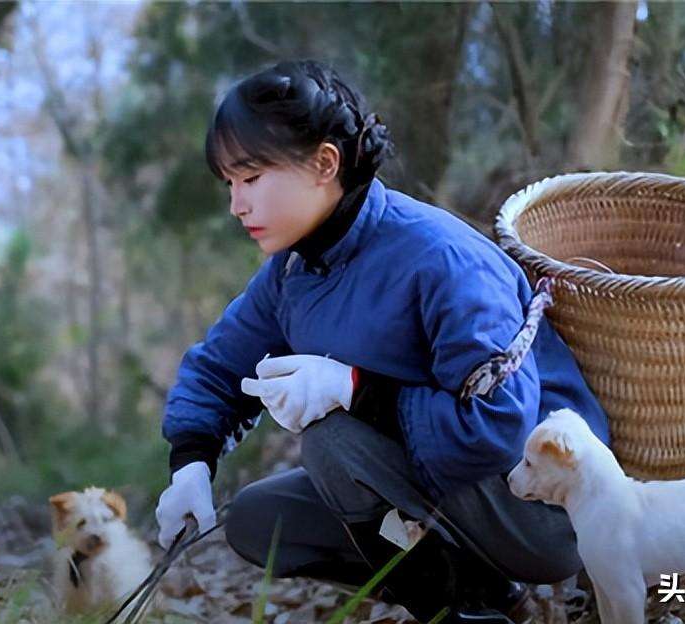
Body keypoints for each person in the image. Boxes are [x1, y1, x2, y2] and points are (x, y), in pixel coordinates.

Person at [154, 59, 611, 624]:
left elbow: (500, 425)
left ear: (325, 163)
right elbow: (219, 366)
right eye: (229, 183)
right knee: (259, 520)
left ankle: (452, 610)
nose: (236, 204)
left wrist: (357, 391)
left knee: (330, 442)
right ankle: (481, 596)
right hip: (438, 488)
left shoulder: (440, 258)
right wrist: (191, 462)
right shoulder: (295, 270)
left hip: (543, 506)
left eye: (251, 178)